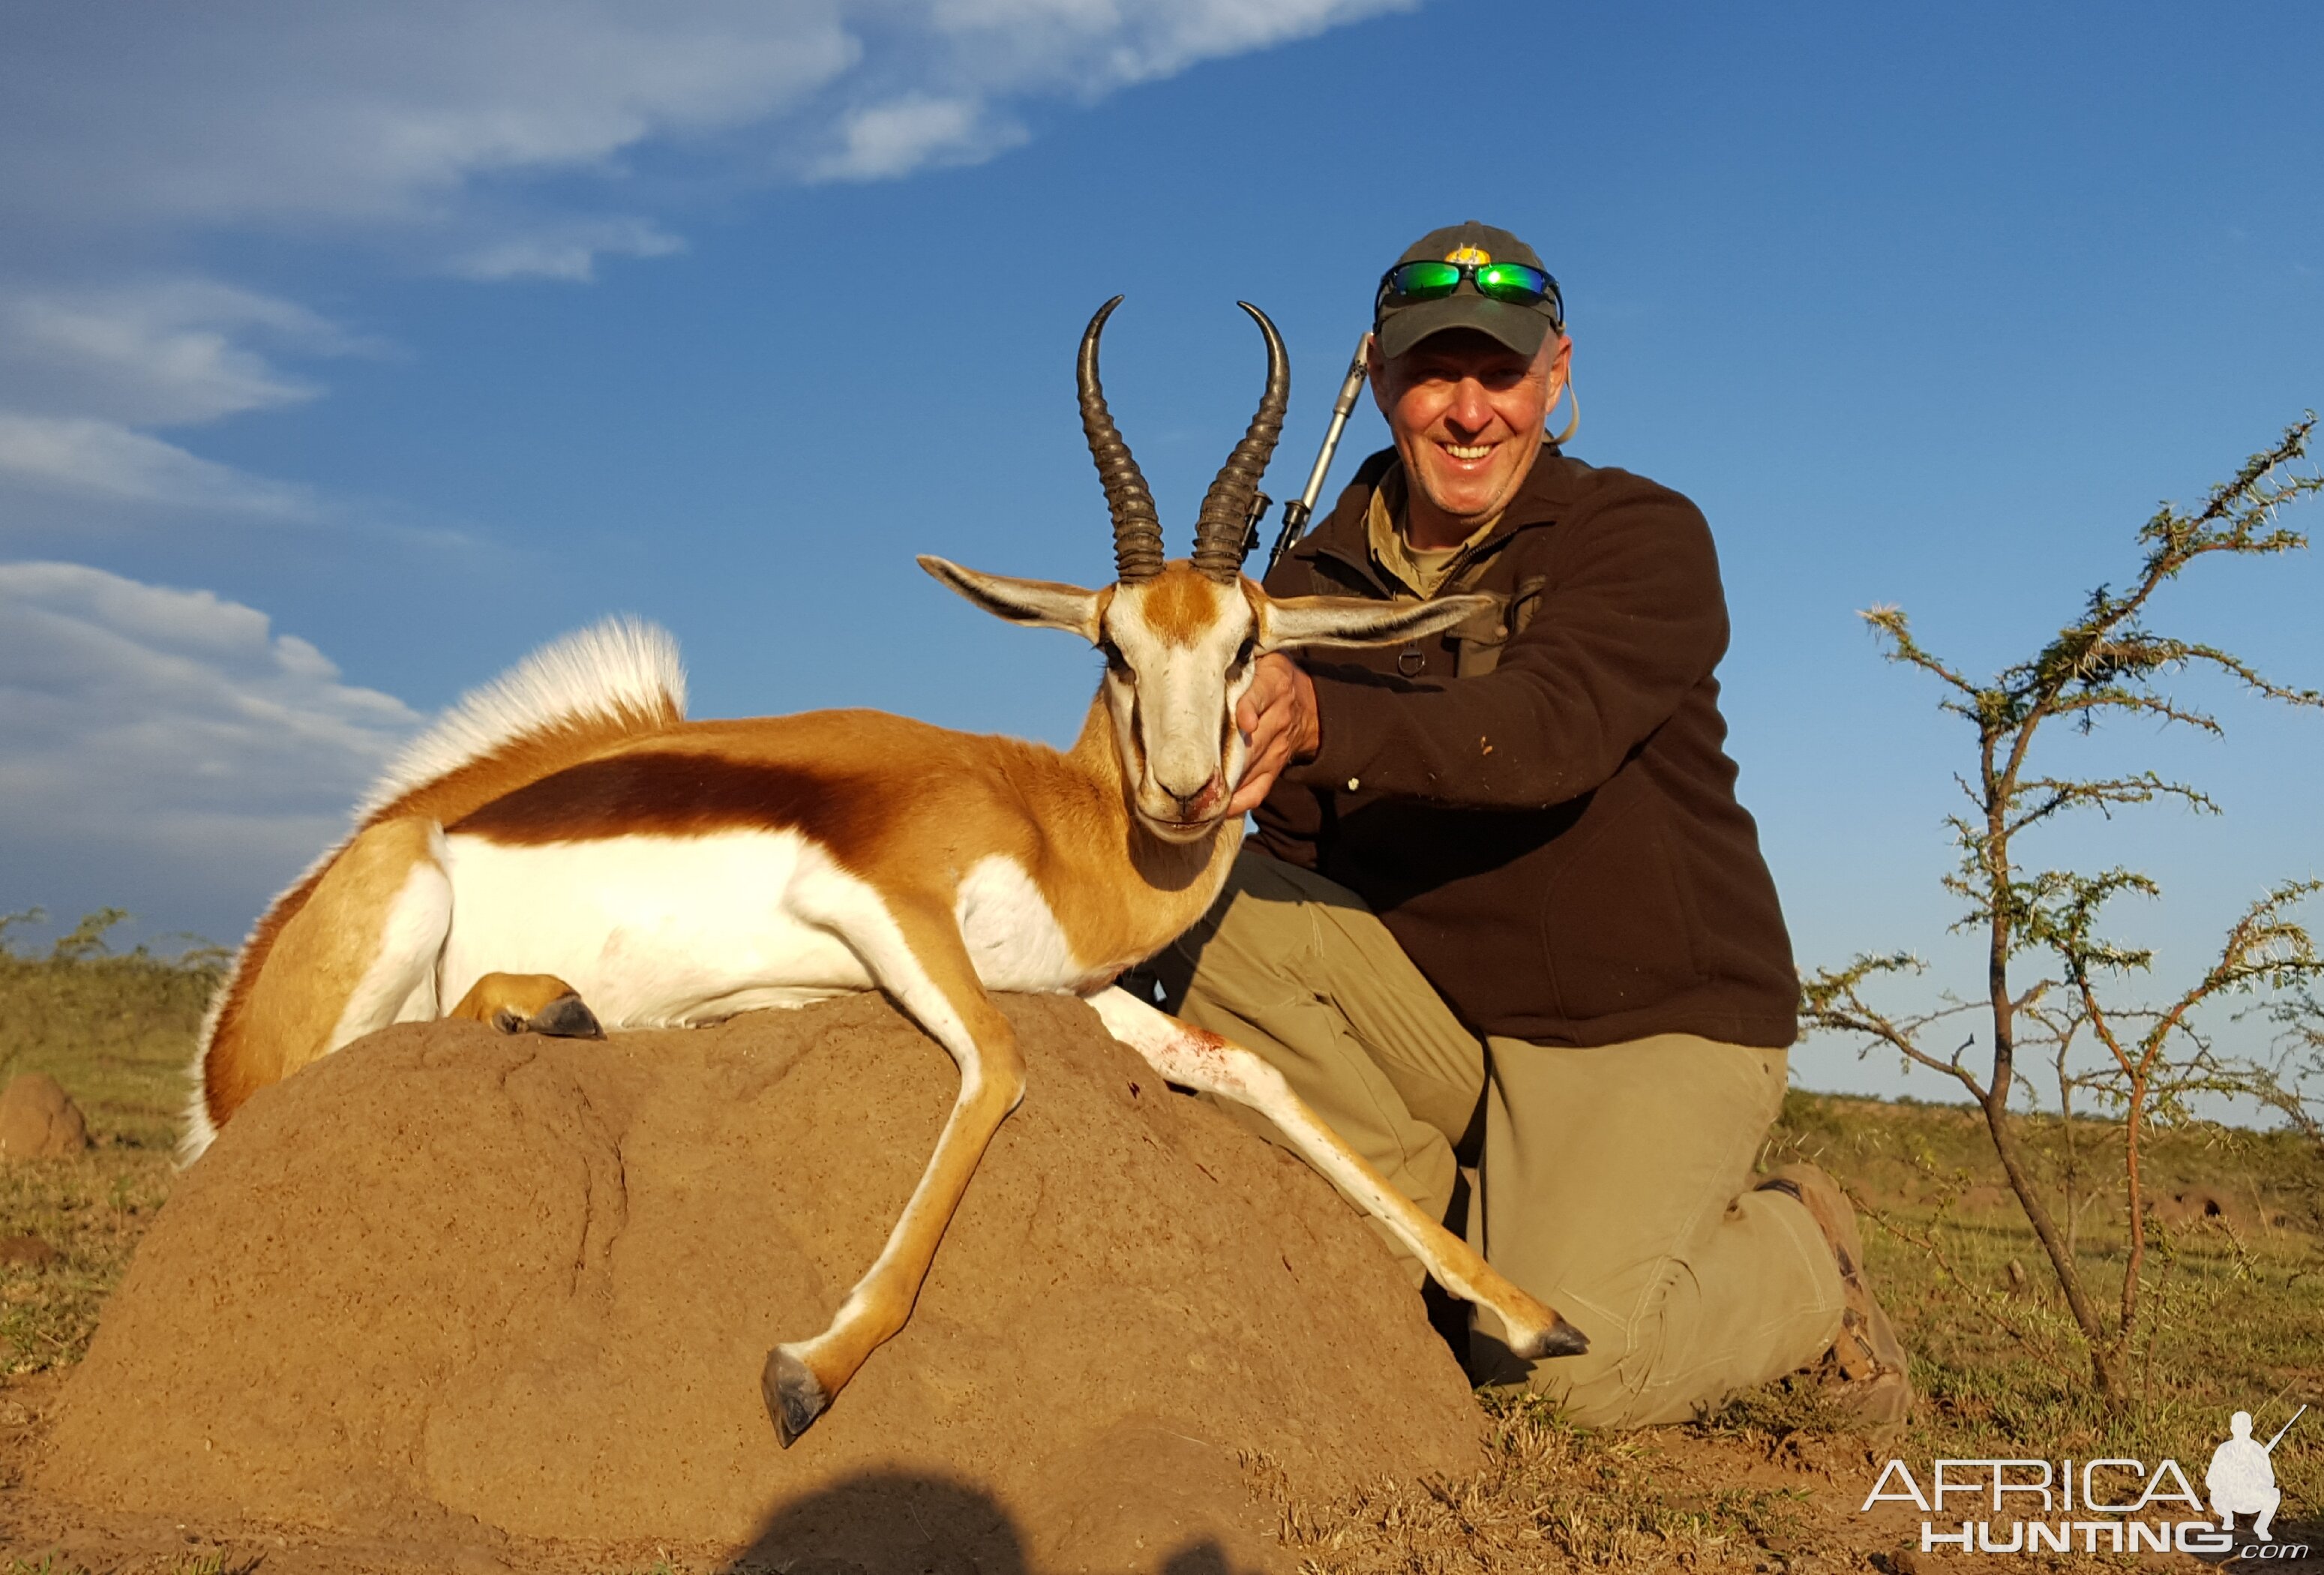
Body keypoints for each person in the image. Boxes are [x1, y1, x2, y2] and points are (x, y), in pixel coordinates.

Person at [1152, 220, 1909, 1429]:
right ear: (1377, 378)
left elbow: (1549, 729)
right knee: (1184, 907)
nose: (1466, 412)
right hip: (1449, 1027)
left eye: (1499, 374)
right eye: (1431, 373)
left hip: (1642, 1022)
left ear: (1554, 378)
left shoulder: (1636, 534)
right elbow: (1287, 851)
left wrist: (1322, 720)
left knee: (1567, 1386)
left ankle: (1803, 1254)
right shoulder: (1293, 589)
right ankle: (1446, 1245)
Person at [2207, 1412, 2283, 1541]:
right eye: (2238, 1427)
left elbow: (2269, 1480)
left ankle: (2261, 1526)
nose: (2241, 1431)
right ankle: (2228, 1517)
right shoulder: (2224, 1450)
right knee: (2217, 1494)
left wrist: (2253, 1479)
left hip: (2250, 1497)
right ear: (2232, 1429)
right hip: (2228, 1497)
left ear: (2250, 1429)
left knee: (2274, 1494)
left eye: (2244, 1427)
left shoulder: (2258, 1451)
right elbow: (2211, 1479)